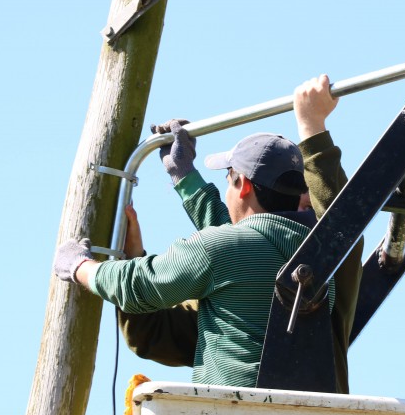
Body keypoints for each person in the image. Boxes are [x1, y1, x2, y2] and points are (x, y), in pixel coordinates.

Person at [116, 75, 364, 393]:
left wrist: (312, 126)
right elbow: (240, 242)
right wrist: (183, 178)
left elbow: (338, 221)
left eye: (307, 190)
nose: (301, 200)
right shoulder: (227, 295)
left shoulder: (332, 263)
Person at [55, 125, 333, 388]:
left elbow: (138, 285)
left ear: (245, 185)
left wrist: (78, 265)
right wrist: (184, 176)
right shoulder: (320, 261)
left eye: (229, 178)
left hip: (232, 414)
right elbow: (245, 240)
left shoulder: (225, 249)